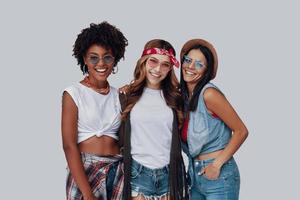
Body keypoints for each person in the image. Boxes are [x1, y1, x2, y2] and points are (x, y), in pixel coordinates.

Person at [61, 21, 128, 200]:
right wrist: (87, 194)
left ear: (115, 59)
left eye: (107, 57)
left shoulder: (119, 95)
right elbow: (69, 146)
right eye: (94, 57)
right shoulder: (73, 93)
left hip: (118, 169)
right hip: (85, 170)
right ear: (84, 58)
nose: (101, 63)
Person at [118, 39, 188, 200]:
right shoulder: (127, 95)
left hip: (169, 173)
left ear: (170, 68)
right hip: (138, 172)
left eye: (165, 64)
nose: (158, 69)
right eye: (153, 61)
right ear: (143, 62)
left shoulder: (176, 98)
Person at [179, 39, 248, 200]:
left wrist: (217, 164)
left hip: (219, 175)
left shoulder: (209, 94)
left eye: (199, 64)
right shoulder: (183, 97)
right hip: (194, 174)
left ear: (206, 71)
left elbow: (241, 131)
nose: (190, 67)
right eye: (188, 60)